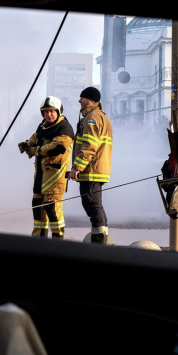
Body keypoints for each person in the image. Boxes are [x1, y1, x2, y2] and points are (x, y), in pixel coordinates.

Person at [18, 96, 74, 239]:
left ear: (58, 111)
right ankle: (38, 240)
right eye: (45, 112)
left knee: (52, 208)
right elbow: (34, 139)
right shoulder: (43, 126)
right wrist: (27, 145)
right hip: (40, 175)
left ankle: (57, 239)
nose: (48, 115)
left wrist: (36, 149)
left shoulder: (64, 128)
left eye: (51, 112)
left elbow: (57, 148)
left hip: (55, 176)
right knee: (37, 206)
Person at [67, 87, 113, 244]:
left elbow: (89, 146)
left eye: (83, 98)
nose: (80, 100)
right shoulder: (97, 116)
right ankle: (101, 239)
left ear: (92, 100)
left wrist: (76, 168)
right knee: (94, 205)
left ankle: (99, 242)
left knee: (92, 205)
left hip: (91, 170)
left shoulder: (92, 118)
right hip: (95, 169)